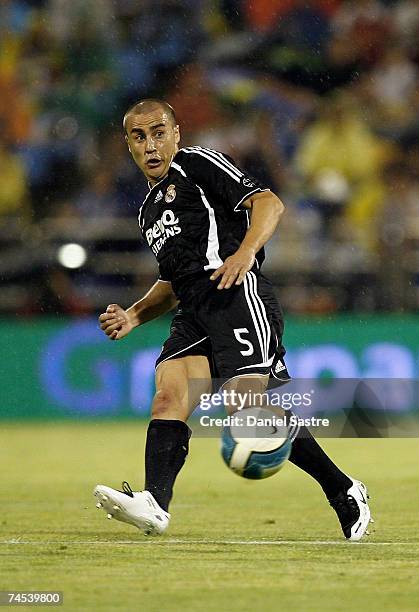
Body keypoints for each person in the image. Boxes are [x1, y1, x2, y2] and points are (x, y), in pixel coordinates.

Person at [94, 99, 372, 540]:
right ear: (128, 144)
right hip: (192, 312)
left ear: (177, 133)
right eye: (139, 136)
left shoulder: (198, 164)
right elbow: (170, 282)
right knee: (167, 399)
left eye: (159, 132)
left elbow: (269, 203)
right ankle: (154, 504)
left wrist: (243, 254)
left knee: (248, 412)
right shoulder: (148, 210)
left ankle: (343, 490)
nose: (151, 144)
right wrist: (133, 315)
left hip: (235, 296)